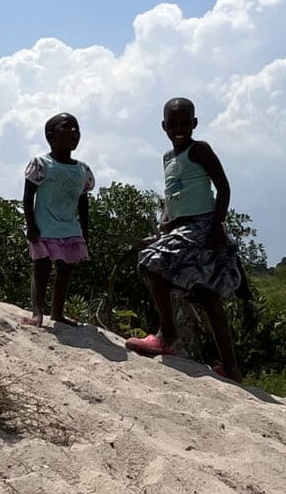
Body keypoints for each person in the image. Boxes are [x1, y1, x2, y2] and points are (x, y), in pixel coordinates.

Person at [122, 97, 243, 380]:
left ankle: (168, 334)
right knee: (206, 294)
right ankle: (231, 367)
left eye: (184, 123)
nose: (178, 128)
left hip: (203, 227)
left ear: (195, 124)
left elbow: (223, 188)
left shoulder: (199, 150)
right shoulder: (168, 158)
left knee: (150, 262)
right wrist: (165, 223)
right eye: (173, 124)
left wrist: (216, 225)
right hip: (182, 228)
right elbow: (174, 196)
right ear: (164, 126)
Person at [21, 112, 95, 326]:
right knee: (41, 268)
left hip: (69, 228)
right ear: (50, 135)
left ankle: (57, 312)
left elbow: (83, 202)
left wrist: (85, 232)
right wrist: (31, 224)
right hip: (45, 227)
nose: (74, 131)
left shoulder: (82, 170)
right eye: (67, 126)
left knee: (65, 269)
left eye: (76, 128)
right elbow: (28, 196)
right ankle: (37, 312)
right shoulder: (41, 164)